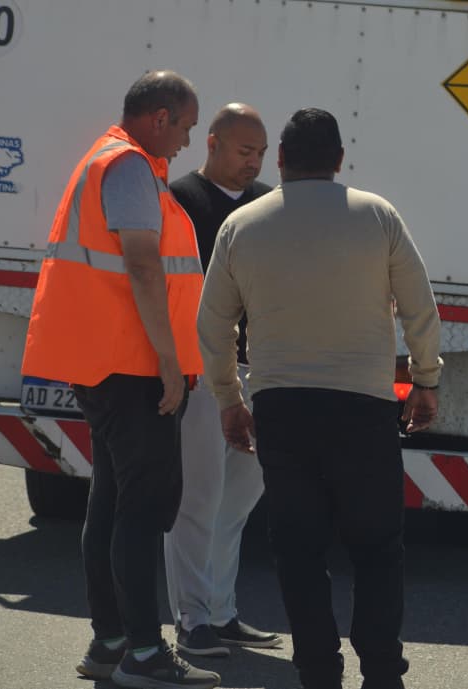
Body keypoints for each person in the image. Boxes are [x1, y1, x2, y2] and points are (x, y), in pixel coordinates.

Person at [196, 108, 442, 689]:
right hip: (363, 407)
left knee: (299, 549)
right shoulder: (377, 215)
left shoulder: (241, 224)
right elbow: (419, 307)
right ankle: (382, 673)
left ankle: (318, 672)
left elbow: (213, 325)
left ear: (280, 158)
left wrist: (229, 397)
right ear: (339, 160)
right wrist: (425, 380)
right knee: (377, 548)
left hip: (281, 408)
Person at [20, 71, 220, 688]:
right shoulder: (130, 167)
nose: (187, 142)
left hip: (107, 364)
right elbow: (142, 265)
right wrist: (169, 362)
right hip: (133, 368)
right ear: (159, 117)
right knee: (141, 507)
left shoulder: (109, 160)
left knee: (110, 502)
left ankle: (110, 644)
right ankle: (144, 653)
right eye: (185, 127)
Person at [164, 103, 280, 656]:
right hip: (203, 370)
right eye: (244, 151)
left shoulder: (267, 205)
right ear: (211, 144)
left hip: (259, 369)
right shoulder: (179, 200)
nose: (253, 162)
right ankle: (191, 620)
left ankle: (221, 610)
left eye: (260, 153)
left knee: (237, 502)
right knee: (198, 497)